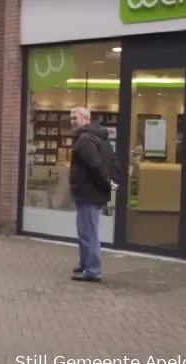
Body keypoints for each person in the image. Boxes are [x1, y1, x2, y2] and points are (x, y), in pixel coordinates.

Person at [68, 107, 119, 282]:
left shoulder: (84, 140)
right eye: (71, 118)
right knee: (87, 230)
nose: (72, 121)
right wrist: (112, 181)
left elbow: (95, 165)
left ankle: (92, 270)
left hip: (87, 192)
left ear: (85, 119)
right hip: (94, 192)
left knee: (88, 232)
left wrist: (107, 181)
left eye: (75, 117)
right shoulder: (102, 139)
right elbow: (113, 163)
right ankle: (85, 264)